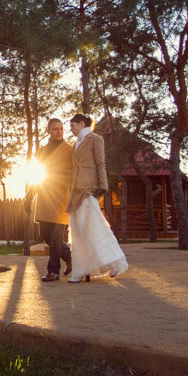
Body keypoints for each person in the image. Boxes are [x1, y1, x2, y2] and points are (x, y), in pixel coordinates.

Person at [65, 113, 128, 282]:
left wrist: (103, 186)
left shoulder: (95, 139)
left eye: (72, 126)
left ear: (81, 123)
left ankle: (115, 263)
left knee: (93, 227)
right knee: (79, 229)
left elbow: (100, 163)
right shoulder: (75, 143)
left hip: (89, 188)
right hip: (75, 190)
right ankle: (81, 268)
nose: (70, 129)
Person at [30, 117, 73, 282]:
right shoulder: (41, 151)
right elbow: (37, 173)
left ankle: (53, 271)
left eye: (61, 128)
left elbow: (74, 172)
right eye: (55, 128)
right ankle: (69, 258)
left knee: (56, 235)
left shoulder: (69, 150)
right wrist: (30, 195)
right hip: (45, 195)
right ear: (48, 130)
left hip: (61, 195)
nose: (59, 131)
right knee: (45, 234)